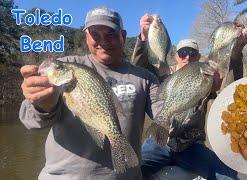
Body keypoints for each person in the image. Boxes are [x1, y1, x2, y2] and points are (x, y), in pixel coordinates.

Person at [19, 7, 162, 180]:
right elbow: (30, 121)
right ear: (86, 37)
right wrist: (42, 105)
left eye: (110, 34)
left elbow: (164, 113)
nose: (103, 41)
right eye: (95, 34)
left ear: (123, 36)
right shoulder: (66, 65)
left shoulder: (145, 78)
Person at [131, 14, 247, 180]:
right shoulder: (163, 75)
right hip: (159, 142)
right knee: (132, 171)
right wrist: (143, 39)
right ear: (176, 56)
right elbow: (137, 71)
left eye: (192, 53)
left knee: (229, 176)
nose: (187, 57)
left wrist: (236, 53)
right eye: (183, 53)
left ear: (198, 56)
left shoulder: (206, 75)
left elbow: (232, 90)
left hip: (192, 146)